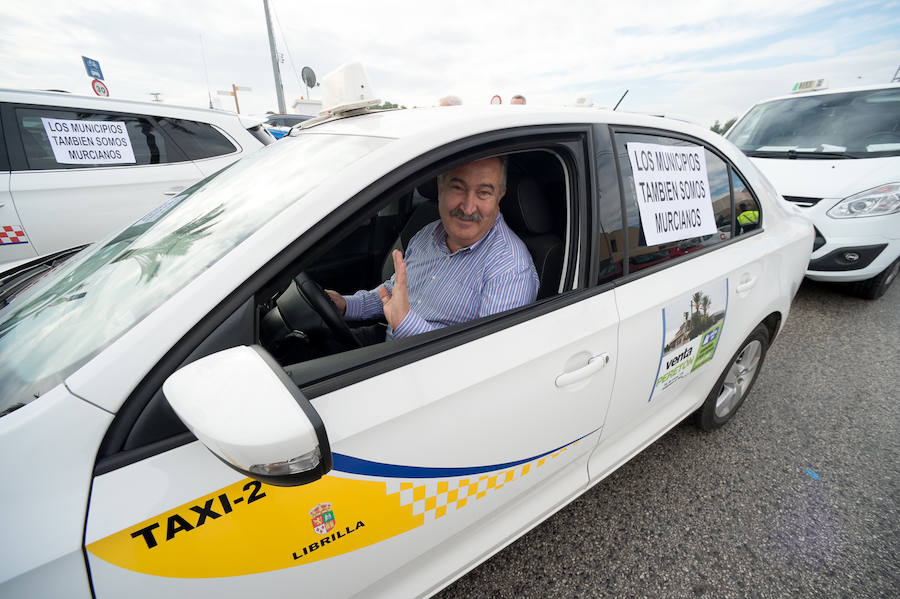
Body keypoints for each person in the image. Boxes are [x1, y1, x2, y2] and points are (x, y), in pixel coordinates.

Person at [327, 156, 539, 343]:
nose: (468, 207)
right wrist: (346, 305)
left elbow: (484, 361)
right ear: (440, 186)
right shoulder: (429, 233)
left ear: (500, 196)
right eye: (458, 188)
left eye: (484, 193)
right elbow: (395, 293)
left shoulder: (510, 270)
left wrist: (405, 323)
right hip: (387, 344)